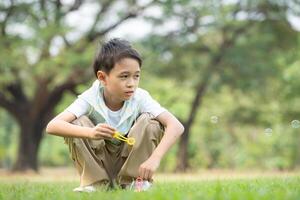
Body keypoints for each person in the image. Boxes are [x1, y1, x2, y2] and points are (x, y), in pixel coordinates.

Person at [46, 38, 184, 192]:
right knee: (78, 122)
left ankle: (135, 182)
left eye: (136, 76)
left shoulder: (140, 97)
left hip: (130, 162)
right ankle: (94, 184)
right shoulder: (90, 98)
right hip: (100, 161)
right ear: (103, 78)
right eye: (124, 76)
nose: (131, 83)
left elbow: (176, 126)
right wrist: (91, 132)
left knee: (150, 122)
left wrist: (155, 159)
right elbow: (52, 126)